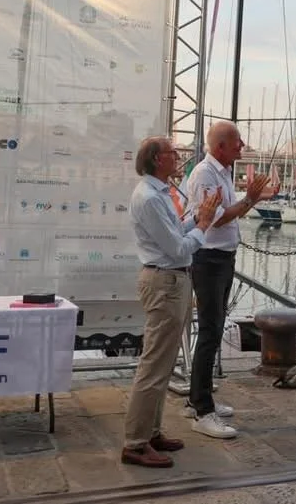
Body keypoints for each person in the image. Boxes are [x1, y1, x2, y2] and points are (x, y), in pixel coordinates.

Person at [122, 137, 221, 468]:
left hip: (171, 281)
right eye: (171, 152)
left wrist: (199, 218)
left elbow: (176, 232)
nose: (177, 156)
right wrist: (203, 226)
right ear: (156, 159)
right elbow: (178, 249)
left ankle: (150, 433)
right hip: (164, 281)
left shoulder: (159, 193)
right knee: (154, 365)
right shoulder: (150, 198)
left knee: (163, 365)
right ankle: (135, 443)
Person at [184, 121, 270, 440]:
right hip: (208, 260)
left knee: (214, 330)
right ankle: (202, 411)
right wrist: (250, 199)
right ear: (220, 146)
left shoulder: (223, 173)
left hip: (222, 259)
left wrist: (251, 200)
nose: (242, 145)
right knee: (210, 331)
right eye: (237, 141)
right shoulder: (204, 174)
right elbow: (217, 219)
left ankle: (199, 398)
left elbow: (232, 212)